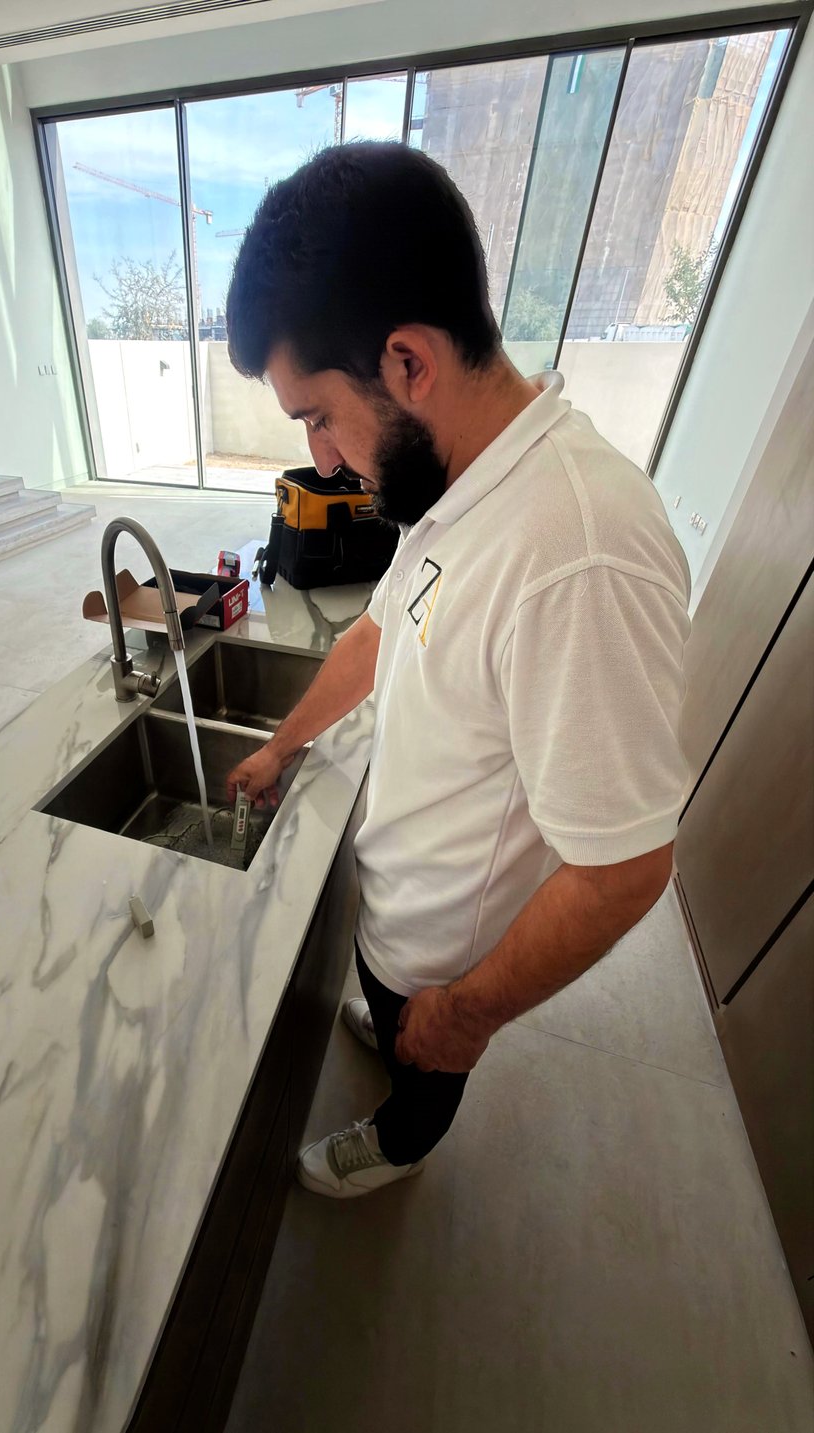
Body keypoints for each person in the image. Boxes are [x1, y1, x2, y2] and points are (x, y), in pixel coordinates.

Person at [224, 142, 691, 1199]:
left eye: (317, 416)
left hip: (453, 956)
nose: (322, 458)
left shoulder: (578, 552)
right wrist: (283, 745)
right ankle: (395, 1017)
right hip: (401, 910)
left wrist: (467, 1011)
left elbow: (623, 868)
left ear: (407, 363)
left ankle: (401, 1136)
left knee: (427, 1063)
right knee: (396, 1013)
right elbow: (378, 634)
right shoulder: (456, 484)